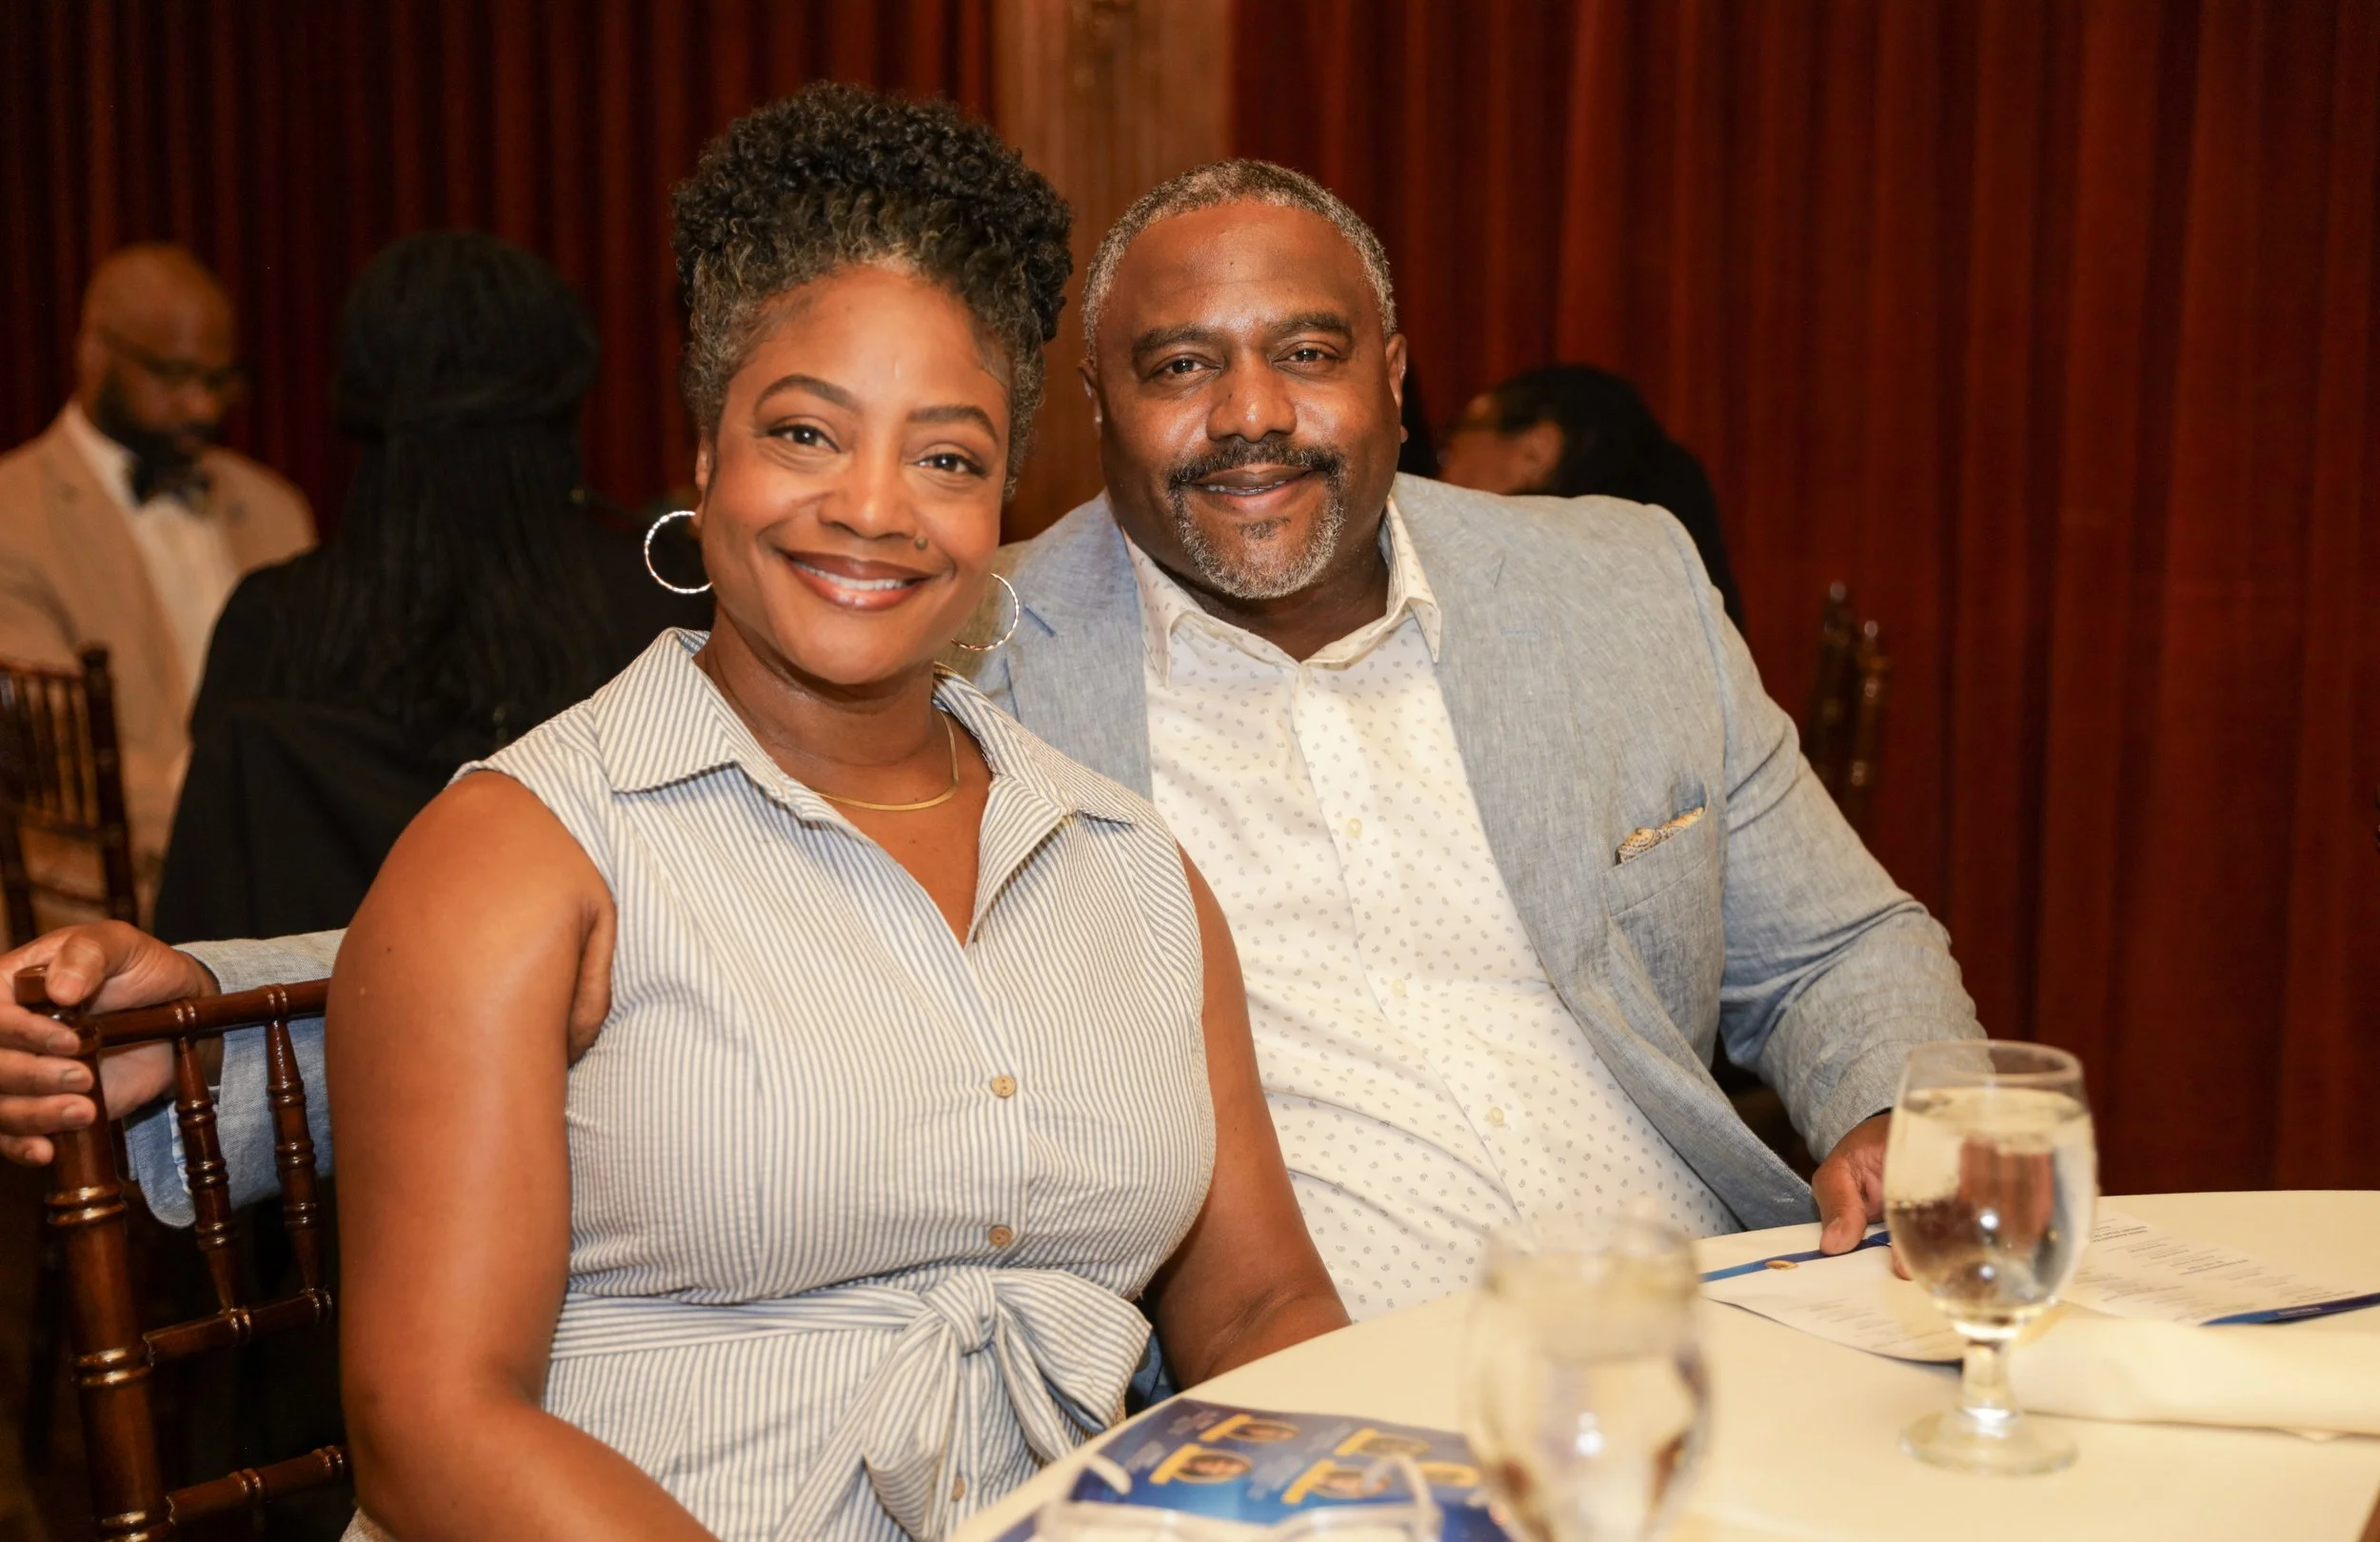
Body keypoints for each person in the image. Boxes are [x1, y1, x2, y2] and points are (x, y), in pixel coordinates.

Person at [0, 161, 1974, 1322]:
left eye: (1302, 348)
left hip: (1696, 1318)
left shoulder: (1608, 583)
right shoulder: (971, 628)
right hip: (1288, 1394)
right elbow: (627, 882)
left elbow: (1838, 944)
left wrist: (1898, 1101)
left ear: (1394, 369)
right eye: (1175, 366)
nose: (1249, 412)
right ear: (1092, 421)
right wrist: (218, 1000)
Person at [7, 91, 1347, 1542]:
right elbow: (435, 1426)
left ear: (1001, 503)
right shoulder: (524, 851)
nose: (873, 508)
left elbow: (1256, 1310)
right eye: (805, 432)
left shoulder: (1124, 861)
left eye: (948, 458)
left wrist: (1388, 1526)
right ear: (701, 457)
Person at [152, 231, 709, 942]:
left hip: (315, 1042)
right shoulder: (666, 603)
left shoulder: (266, 623)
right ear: (567, 390)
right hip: (606, 1039)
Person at [0, 245, 313, 905]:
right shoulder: (13, 515)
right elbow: (60, 760)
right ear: (93, 350)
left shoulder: (274, 506)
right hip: (98, 899)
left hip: (274, 885)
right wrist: (238, 813)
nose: (202, 405)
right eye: (172, 375)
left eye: (219, 378)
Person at [1436, 363, 1744, 626]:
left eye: (1450, 449)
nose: (1441, 474)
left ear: (1536, 452)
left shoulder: (1519, 587)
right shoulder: (1678, 582)